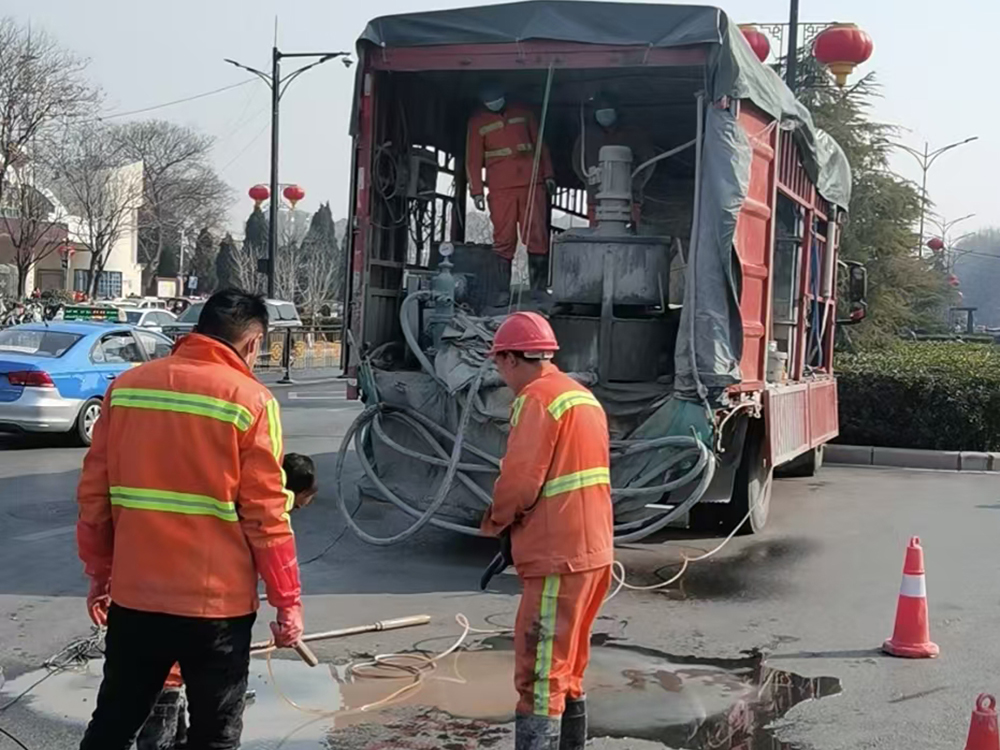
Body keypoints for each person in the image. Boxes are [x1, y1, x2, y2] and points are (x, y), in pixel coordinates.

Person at [76, 288, 305, 750]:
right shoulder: (253, 403)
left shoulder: (126, 389)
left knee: (114, 725)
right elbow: (267, 517)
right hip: (216, 609)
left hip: (137, 598)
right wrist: (288, 602)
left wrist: (101, 575)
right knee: (214, 736)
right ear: (253, 344)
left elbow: (94, 501)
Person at [480, 312, 614, 750]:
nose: (501, 375)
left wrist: (497, 521)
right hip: (592, 551)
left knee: (539, 673)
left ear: (513, 359)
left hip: (559, 551)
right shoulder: (581, 397)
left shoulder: (537, 400)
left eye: (499, 364)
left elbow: (520, 480)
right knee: (569, 668)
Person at [135, 450, 320, 750]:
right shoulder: (266, 509)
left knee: (166, 683)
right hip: (214, 616)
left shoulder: (225, 490)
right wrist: (288, 608)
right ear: (298, 490)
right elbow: (273, 549)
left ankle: (167, 718)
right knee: (211, 724)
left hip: (157, 601)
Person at [466, 84, 556, 296]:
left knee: (537, 235)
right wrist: (476, 190)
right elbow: (472, 159)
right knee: (503, 239)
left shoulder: (524, 113)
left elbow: (540, 144)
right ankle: (501, 292)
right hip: (500, 188)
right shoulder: (477, 122)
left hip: (532, 183)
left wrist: (548, 174)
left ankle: (538, 290)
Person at [571, 93, 657, 226]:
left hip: (630, 198)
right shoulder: (586, 137)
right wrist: (590, 182)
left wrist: (636, 184)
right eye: (600, 111)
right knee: (596, 232)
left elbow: (649, 161)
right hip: (596, 198)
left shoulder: (634, 134)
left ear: (617, 112)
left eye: (608, 111)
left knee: (629, 233)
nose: (604, 115)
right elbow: (578, 163)